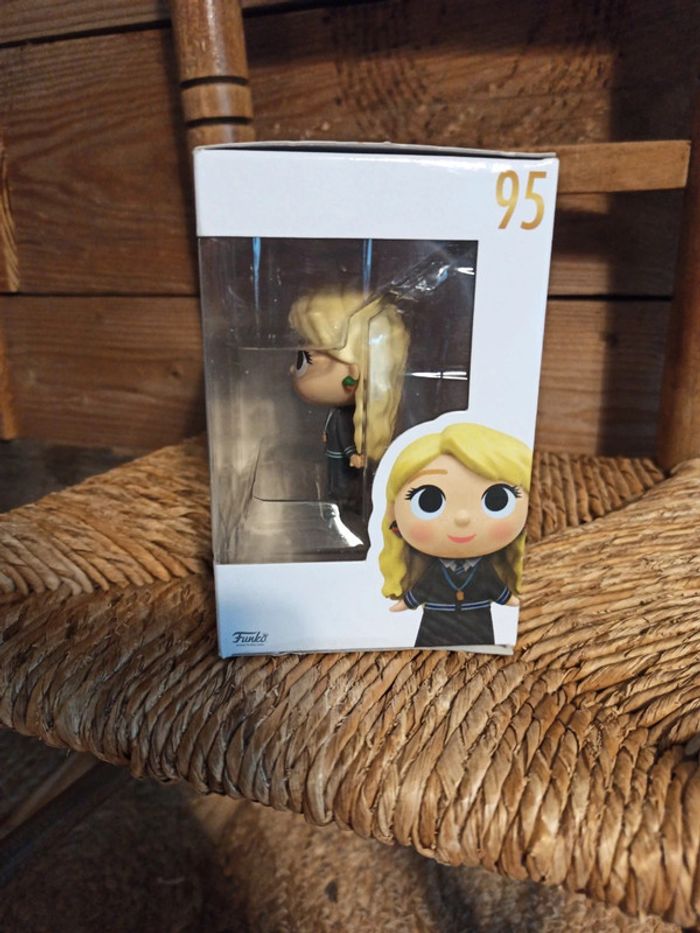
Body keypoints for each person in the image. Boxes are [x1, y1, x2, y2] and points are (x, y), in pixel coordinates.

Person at [378, 423, 531, 646]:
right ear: (394, 515)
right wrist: (406, 602)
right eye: (428, 502)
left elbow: (495, 587)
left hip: (477, 620)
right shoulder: (434, 569)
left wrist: (512, 600)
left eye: (497, 501)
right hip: (436, 621)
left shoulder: (484, 569)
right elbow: (423, 588)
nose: (462, 518)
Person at [289, 287, 409, 509]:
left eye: (304, 360)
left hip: (344, 463)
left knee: (343, 487)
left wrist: (353, 453)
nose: (290, 369)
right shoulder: (340, 413)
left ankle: (345, 504)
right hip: (334, 459)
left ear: (353, 374)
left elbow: (347, 438)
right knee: (334, 484)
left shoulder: (352, 419)